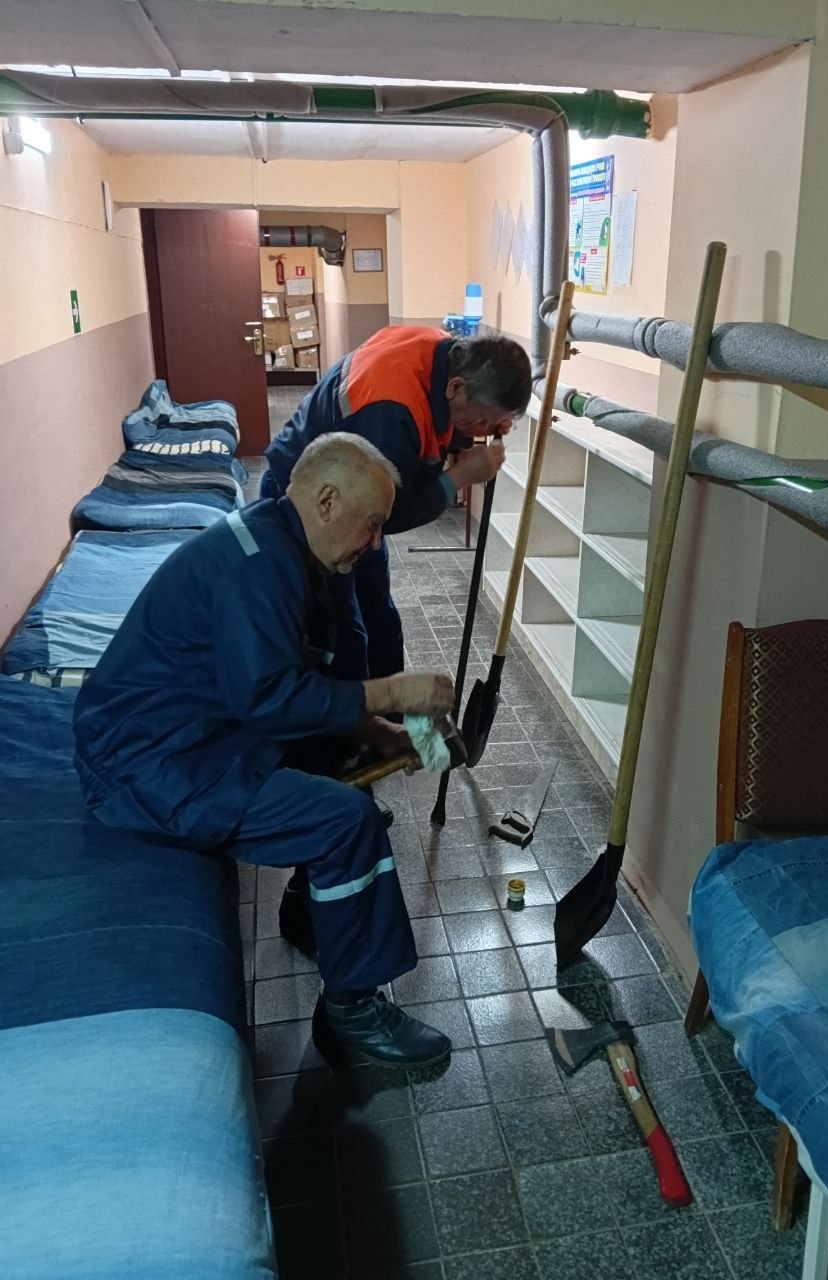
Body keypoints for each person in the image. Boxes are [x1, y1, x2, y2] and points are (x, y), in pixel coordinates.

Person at [73, 433, 456, 1068]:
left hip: (184, 732)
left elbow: (303, 673)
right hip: (149, 765)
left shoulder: (276, 539)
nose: (374, 544)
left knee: (336, 760)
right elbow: (268, 698)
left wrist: (380, 734)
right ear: (327, 501)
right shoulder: (258, 567)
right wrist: (395, 692)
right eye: (372, 524)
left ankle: (316, 908)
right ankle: (352, 1010)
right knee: (348, 822)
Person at [261, 325, 532, 680]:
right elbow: (388, 515)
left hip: (349, 485)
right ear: (456, 387)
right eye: (483, 419)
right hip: (308, 503)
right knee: (342, 630)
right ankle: (355, 712)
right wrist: (460, 476)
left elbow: (436, 424)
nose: (485, 429)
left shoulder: (445, 354)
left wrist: (476, 427)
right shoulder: (391, 408)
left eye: (494, 423)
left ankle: (391, 710)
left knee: (380, 619)